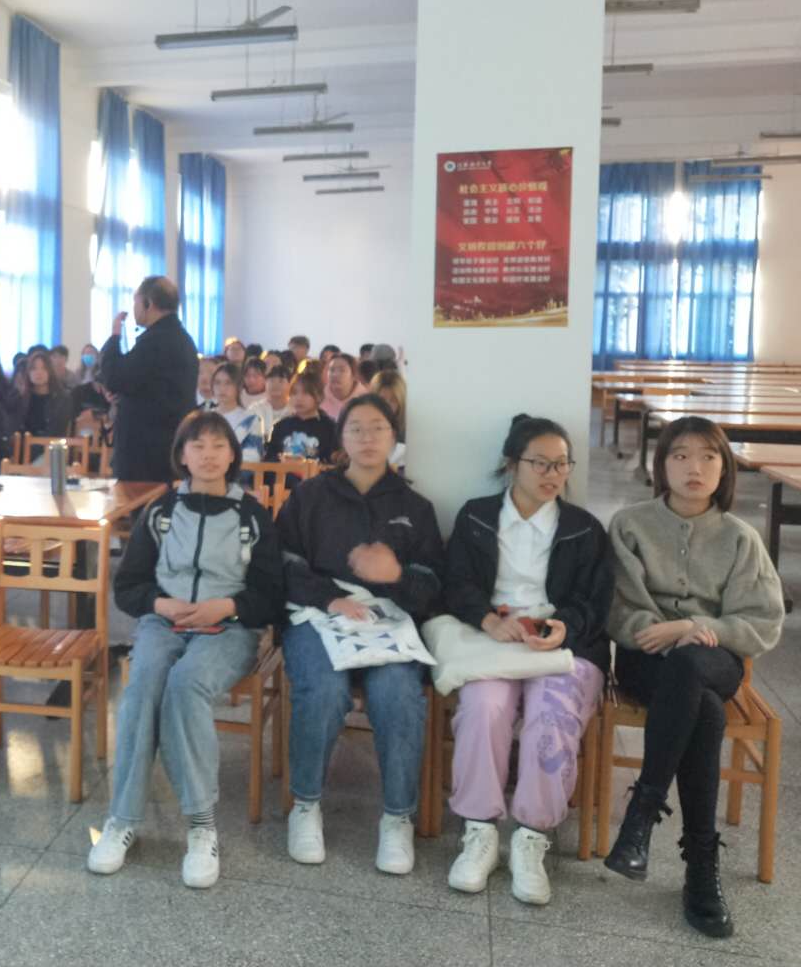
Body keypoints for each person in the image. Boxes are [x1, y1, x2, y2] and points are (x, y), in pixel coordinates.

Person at [604, 416, 784, 939]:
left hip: (715, 659)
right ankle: (701, 869)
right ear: (661, 464)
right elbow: (619, 607)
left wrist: (693, 628)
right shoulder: (630, 524)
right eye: (680, 455)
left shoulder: (740, 538)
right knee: (702, 708)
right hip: (645, 657)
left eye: (708, 456)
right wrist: (659, 632)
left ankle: (642, 815)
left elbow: (762, 621)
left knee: (691, 669)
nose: (694, 467)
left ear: (724, 468)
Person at [88, 412, 285, 888]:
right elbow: (128, 586)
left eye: (219, 446)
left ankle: (201, 826)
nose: (209, 455)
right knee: (142, 686)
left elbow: (272, 594)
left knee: (186, 684)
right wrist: (161, 604)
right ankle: (122, 819)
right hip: (165, 622)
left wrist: (227, 606)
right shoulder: (160, 512)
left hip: (230, 628)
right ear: (182, 455)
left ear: (233, 454)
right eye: (198, 446)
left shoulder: (252, 516)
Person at [442, 415, 612, 906]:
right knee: (484, 708)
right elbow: (455, 582)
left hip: (561, 645)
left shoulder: (583, 529)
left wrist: (564, 627)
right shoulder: (476, 516)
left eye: (561, 464)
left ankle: (532, 838)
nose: (552, 474)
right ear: (511, 464)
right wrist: (486, 619)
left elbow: (596, 603)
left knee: (551, 715)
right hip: (492, 638)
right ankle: (479, 831)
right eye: (540, 463)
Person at [278, 394, 444, 874]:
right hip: (319, 614)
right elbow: (282, 564)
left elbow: (434, 586)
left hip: (388, 620)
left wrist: (396, 578)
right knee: (323, 690)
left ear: (394, 438)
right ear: (341, 438)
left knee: (398, 693)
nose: (367, 438)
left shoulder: (415, 507)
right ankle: (305, 805)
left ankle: (397, 816)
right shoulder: (311, 496)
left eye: (378, 428)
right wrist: (330, 598)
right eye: (356, 428)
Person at [99, 276, 200, 483]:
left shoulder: (156, 341)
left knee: (142, 503)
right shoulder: (182, 338)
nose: (134, 309)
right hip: (169, 443)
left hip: (147, 453)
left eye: (136, 302)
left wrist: (114, 336)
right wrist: (122, 393)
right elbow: (143, 383)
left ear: (148, 303)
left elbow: (114, 376)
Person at [264, 372, 336, 462]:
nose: (299, 398)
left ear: (318, 396)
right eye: (294, 393)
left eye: (305, 393)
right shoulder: (281, 426)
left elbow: (333, 461)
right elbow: (269, 460)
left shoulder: (329, 428)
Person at [209, 363, 265, 462]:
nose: (222, 388)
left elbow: (253, 456)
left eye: (228, 383)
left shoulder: (250, 420)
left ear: (239, 387)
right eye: (217, 383)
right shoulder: (204, 418)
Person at [17, 350, 73, 440]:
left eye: (44, 368)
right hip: (25, 445)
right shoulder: (21, 398)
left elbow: (59, 430)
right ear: (28, 373)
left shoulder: (62, 399)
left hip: (52, 445)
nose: (39, 372)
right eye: (34, 369)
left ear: (50, 371)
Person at [371, 369, 407, 469]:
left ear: (401, 401)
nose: (386, 405)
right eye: (382, 399)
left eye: (393, 400)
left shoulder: (408, 432)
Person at [251, 364, 293, 443]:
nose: (276, 385)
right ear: (265, 383)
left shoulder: (296, 410)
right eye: (271, 380)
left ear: (290, 384)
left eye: (281, 381)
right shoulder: (255, 409)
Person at [320, 353, 366, 421]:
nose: (335, 374)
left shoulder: (365, 400)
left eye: (342, 370)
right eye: (332, 370)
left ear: (353, 375)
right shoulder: (318, 398)